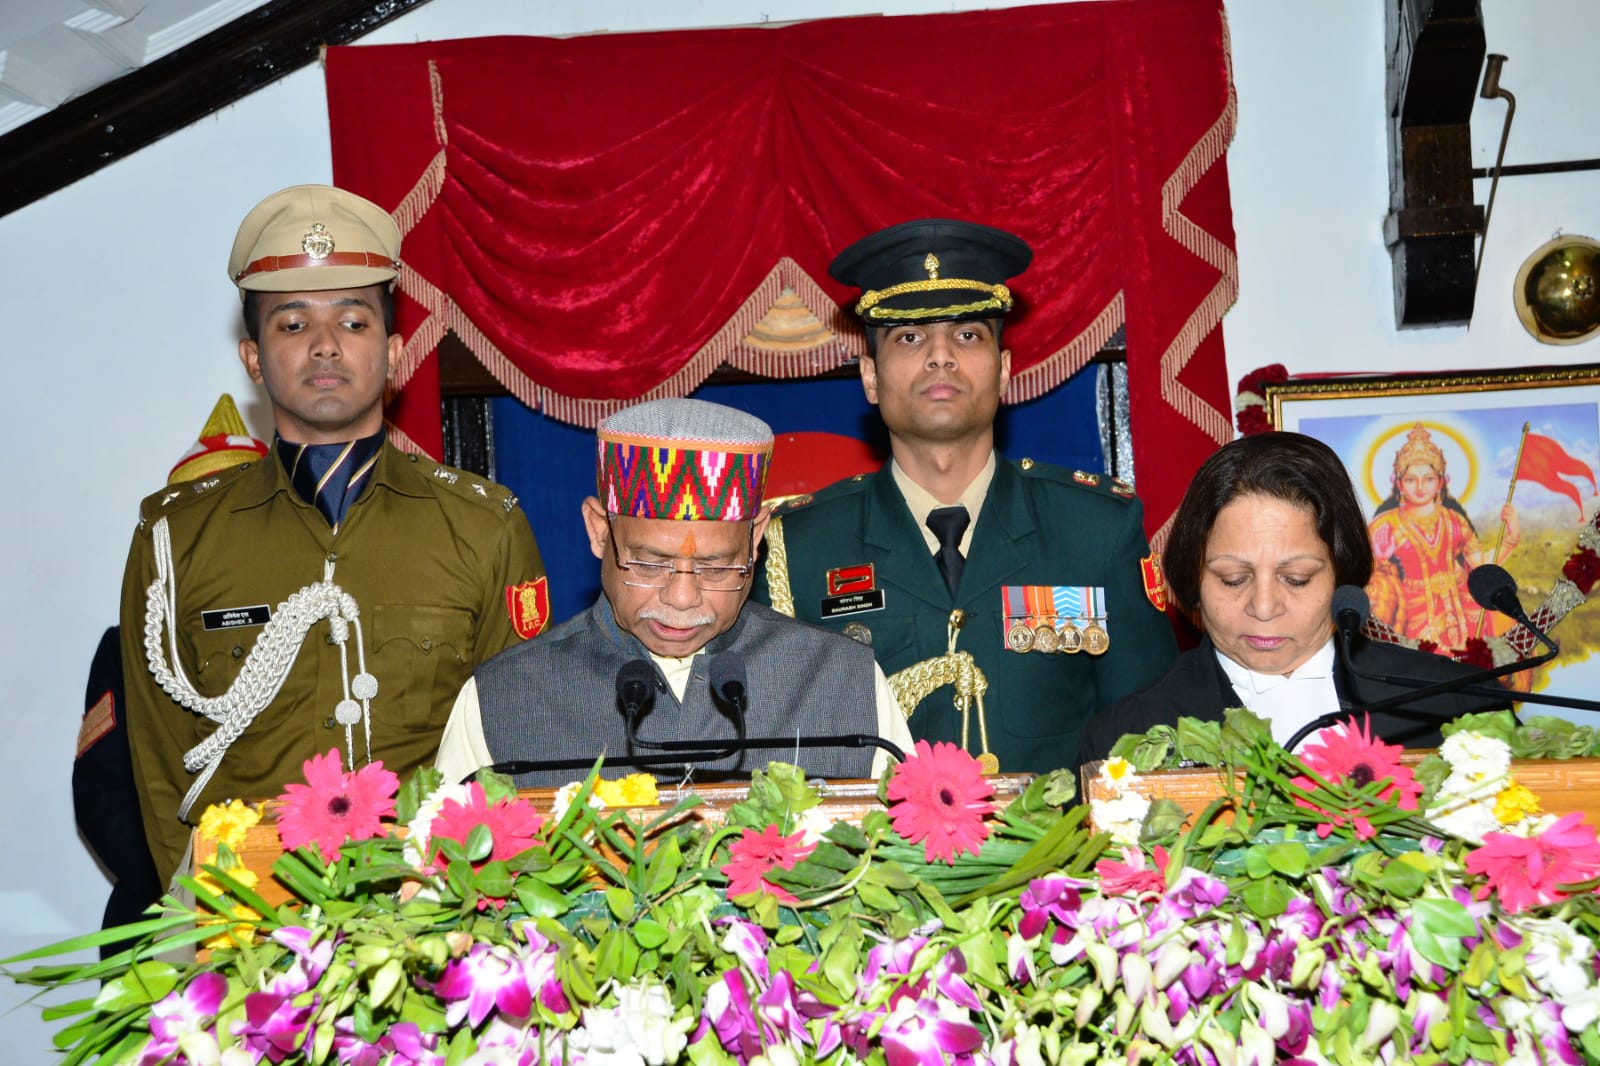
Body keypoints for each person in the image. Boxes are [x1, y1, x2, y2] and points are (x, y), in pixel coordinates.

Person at [121, 185, 548, 884]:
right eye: (292, 325)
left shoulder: (482, 527)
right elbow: (162, 765)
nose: (324, 346)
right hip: (248, 925)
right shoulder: (176, 538)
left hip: (433, 917)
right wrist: (212, 926)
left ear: (396, 351)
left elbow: (519, 743)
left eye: (353, 323)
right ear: (253, 358)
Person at [753, 219, 1177, 774]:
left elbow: (1151, 741)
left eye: (968, 335)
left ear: (1003, 371)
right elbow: (780, 761)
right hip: (874, 858)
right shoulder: (802, 546)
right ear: (870, 378)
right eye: (910, 338)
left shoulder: (1094, 528)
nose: (941, 356)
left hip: (1063, 855)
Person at [435, 398, 913, 788]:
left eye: (716, 565)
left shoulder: (840, 680)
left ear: (755, 538)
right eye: (648, 563)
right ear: (599, 531)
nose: (683, 598)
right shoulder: (506, 696)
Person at [1078, 433, 1511, 765]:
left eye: (1297, 578)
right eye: (1232, 579)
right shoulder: (1127, 736)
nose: (1264, 607)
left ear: (1343, 573)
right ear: (1194, 576)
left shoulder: (1454, 706)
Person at [77, 395, 268, 948]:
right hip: (162, 919)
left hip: (296, 906)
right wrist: (190, 880)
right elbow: (100, 795)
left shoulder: (316, 626)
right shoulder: (124, 646)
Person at [1367, 423, 1519, 649]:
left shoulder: (1453, 520)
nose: (1420, 487)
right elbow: (1368, 581)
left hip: (1464, 611)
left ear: (1440, 482)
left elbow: (1482, 567)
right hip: (1413, 616)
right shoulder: (1385, 524)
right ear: (1399, 483)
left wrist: (1510, 539)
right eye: (1411, 480)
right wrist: (1379, 563)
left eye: (1428, 478)